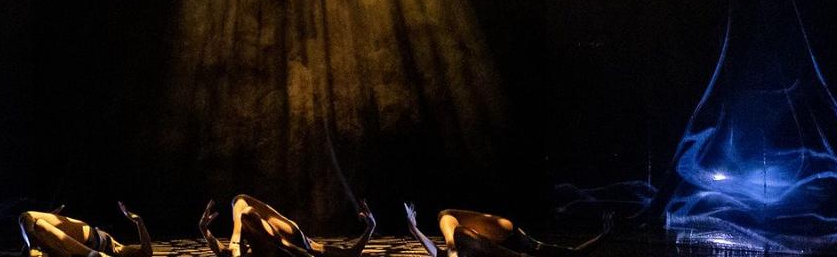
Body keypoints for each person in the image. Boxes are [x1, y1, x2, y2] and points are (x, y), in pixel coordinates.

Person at [404, 204, 610, 257]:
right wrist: (604, 236)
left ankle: (454, 250)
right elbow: (575, 253)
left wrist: (414, 228)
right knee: (458, 237)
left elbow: (434, 251)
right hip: (509, 239)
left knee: (446, 216)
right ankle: (454, 250)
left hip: (498, 237)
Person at [200, 195, 376, 257]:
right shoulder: (304, 246)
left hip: (280, 241)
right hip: (292, 241)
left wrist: (204, 230)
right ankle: (277, 243)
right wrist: (370, 228)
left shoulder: (247, 252)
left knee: (240, 206)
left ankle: (238, 241)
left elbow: (222, 251)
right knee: (243, 211)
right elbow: (352, 253)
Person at [21, 201, 152, 257]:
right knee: (37, 224)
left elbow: (147, 252)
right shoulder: (123, 249)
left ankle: (32, 246)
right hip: (89, 243)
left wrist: (138, 221)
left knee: (27, 217)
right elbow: (147, 252)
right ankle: (32, 246)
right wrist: (138, 221)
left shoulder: (124, 252)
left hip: (92, 239)